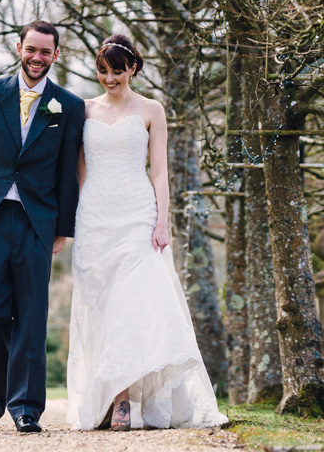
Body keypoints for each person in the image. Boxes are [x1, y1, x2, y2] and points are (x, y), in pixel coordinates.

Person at [66, 34, 228, 431]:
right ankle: (103, 396)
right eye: (102, 71)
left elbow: (158, 172)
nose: (109, 79)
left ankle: (124, 401)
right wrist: (79, 214)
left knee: (132, 305)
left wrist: (162, 220)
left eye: (116, 71)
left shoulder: (152, 109)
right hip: (95, 216)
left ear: (133, 68)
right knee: (100, 306)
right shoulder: (83, 110)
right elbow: (79, 169)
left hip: (138, 215)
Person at [0, 20, 85, 433]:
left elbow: (66, 172)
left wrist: (62, 227)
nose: (37, 58)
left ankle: (26, 407)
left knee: (32, 316)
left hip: (36, 222)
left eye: (46, 52)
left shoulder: (69, 106)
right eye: (32, 49)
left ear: (56, 55)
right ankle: (1, 386)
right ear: (18, 48)